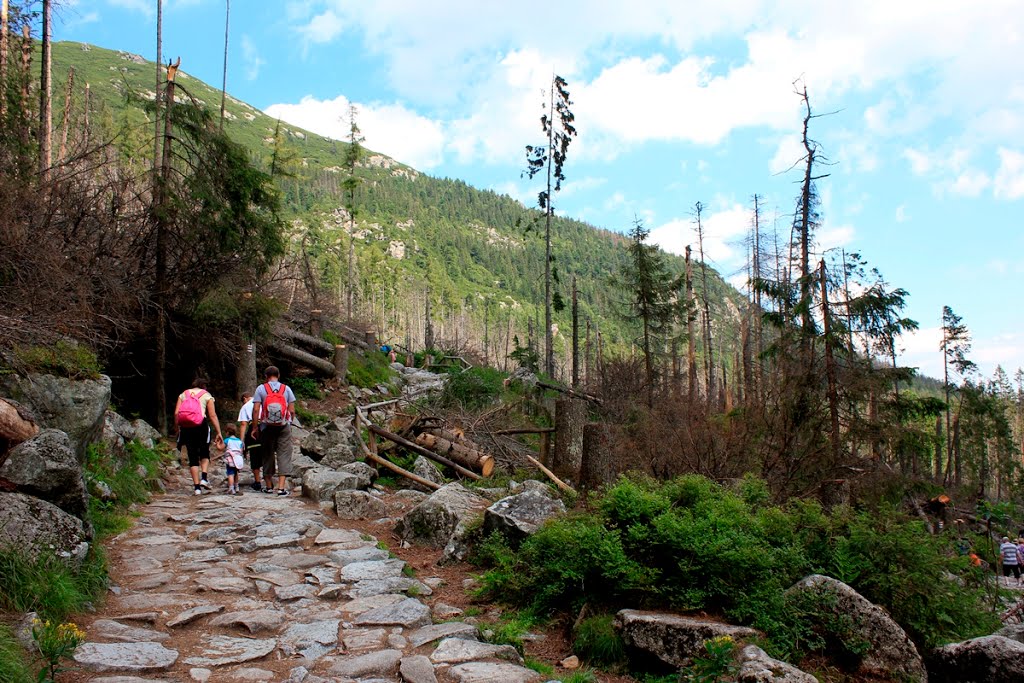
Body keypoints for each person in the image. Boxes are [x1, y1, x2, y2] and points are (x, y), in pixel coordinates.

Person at [250, 366, 296, 496]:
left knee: (267, 454)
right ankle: (281, 488)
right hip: (283, 425)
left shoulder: (261, 389)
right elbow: (292, 410)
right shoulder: (286, 389)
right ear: (279, 375)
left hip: (266, 426)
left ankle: (269, 486)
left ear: (266, 376)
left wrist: (255, 427)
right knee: (284, 454)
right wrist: (289, 421)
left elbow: (255, 409)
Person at [174, 378, 223, 495]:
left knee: (192, 455)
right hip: (201, 425)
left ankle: (196, 488)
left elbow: (176, 413)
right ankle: (204, 478)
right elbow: (212, 415)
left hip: (186, 427)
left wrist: (177, 428)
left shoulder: (183, 394)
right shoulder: (206, 395)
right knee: (204, 451)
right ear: (203, 386)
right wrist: (219, 431)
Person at [236, 392, 263, 492]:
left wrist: (242, 440)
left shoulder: (246, 406)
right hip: (266, 428)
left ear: (245, 398)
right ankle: (269, 481)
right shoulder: (263, 401)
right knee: (267, 454)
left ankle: (257, 482)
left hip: (253, 430)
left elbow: (243, 424)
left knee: (254, 456)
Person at [218, 423, 245, 495]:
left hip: (230, 460)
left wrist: (217, 443)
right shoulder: (239, 441)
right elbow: (241, 450)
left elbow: (220, 448)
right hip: (238, 459)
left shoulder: (227, 440)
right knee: (236, 473)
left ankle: (231, 488)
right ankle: (237, 487)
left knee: (230, 474)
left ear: (227, 432)